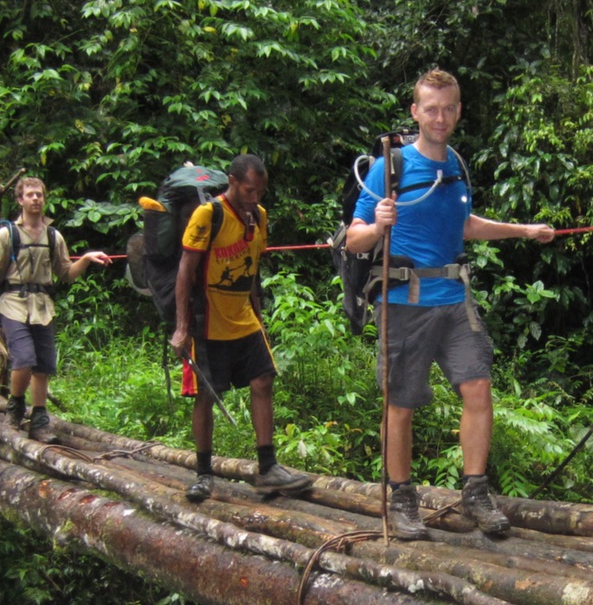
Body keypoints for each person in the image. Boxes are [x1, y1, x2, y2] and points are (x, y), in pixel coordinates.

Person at [344, 68, 556, 539]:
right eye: (430, 109)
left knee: (478, 388)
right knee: (400, 405)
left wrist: (522, 231)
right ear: (416, 112)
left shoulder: (455, 164)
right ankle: (402, 499)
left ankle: (475, 493)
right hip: (403, 303)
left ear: (458, 111)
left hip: (454, 298)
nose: (439, 117)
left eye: (448, 108)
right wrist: (378, 225)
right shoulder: (390, 166)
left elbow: (464, 224)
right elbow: (353, 240)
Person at [169, 154, 312, 503]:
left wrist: (259, 317)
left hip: (243, 314)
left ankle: (268, 468)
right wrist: (182, 326)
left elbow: (252, 269)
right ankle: (204, 473)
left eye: (260, 192)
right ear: (232, 182)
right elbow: (185, 272)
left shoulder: (259, 217)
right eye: (249, 190)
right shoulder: (209, 215)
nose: (255, 198)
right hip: (209, 318)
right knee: (207, 394)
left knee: (263, 380)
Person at [0, 177, 113, 444]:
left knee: (43, 366)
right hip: (13, 304)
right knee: (23, 359)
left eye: (40, 195)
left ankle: (40, 421)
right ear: (20, 200)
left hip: (43, 306)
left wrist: (87, 259)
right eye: (30, 195)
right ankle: (15, 409)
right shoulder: (7, 234)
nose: (36, 199)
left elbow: (66, 273)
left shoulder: (53, 236)